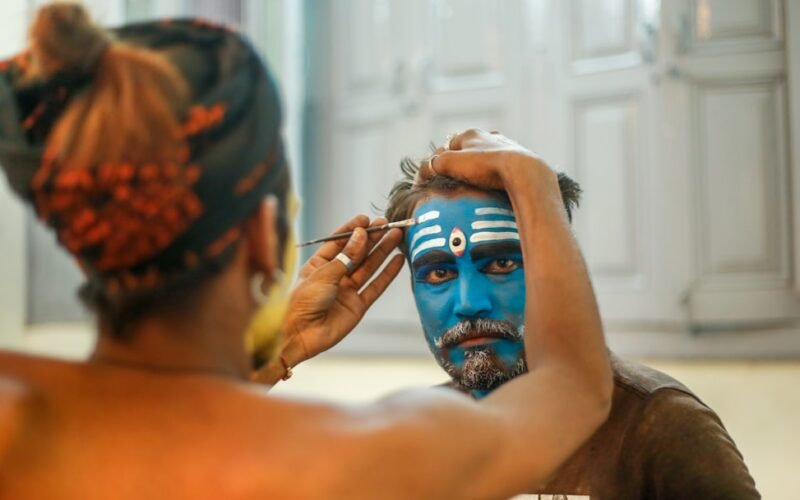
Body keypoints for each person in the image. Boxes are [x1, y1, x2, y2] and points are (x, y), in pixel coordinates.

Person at [0, 4, 612, 499]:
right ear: (263, 239)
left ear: (83, 240)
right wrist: (530, 179)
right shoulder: (356, 456)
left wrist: (282, 349)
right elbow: (574, 388)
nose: (468, 299)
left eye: (500, 262)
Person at [385, 134, 761, 500]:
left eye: (501, 265)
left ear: (557, 265)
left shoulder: (659, 424)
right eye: (439, 273)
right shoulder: (421, 436)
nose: (469, 303)